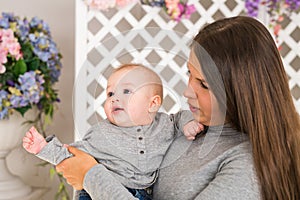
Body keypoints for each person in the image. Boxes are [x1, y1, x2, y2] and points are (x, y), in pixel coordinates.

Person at [56, 16, 300, 199]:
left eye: (203, 84)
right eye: (189, 74)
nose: (187, 92)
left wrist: (90, 176)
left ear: (241, 91)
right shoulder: (186, 128)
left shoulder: (248, 164)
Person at [23, 63, 204, 200]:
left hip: (145, 194)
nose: (115, 98)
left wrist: (189, 124)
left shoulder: (166, 124)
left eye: (126, 91)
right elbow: (72, 155)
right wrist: (43, 148)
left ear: (153, 104)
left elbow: (181, 117)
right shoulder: (101, 134)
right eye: (110, 94)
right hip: (96, 193)